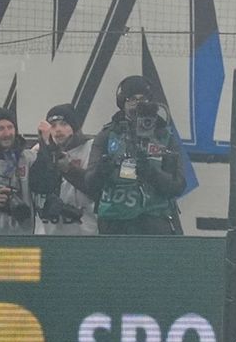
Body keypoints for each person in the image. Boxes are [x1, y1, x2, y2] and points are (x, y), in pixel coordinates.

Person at [86, 75, 186, 234]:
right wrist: (102, 171)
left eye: (143, 99)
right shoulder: (107, 135)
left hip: (156, 221)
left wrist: (151, 172)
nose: (138, 104)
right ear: (122, 103)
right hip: (115, 222)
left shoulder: (164, 136)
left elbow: (177, 185)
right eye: (132, 99)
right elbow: (90, 184)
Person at [29, 103, 98, 235]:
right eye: (53, 126)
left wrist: (69, 169)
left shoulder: (90, 148)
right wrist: (47, 151)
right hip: (47, 233)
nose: (58, 130)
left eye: (64, 124)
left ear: (75, 127)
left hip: (85, 233)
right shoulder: (38, 151)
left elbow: (95, 187)